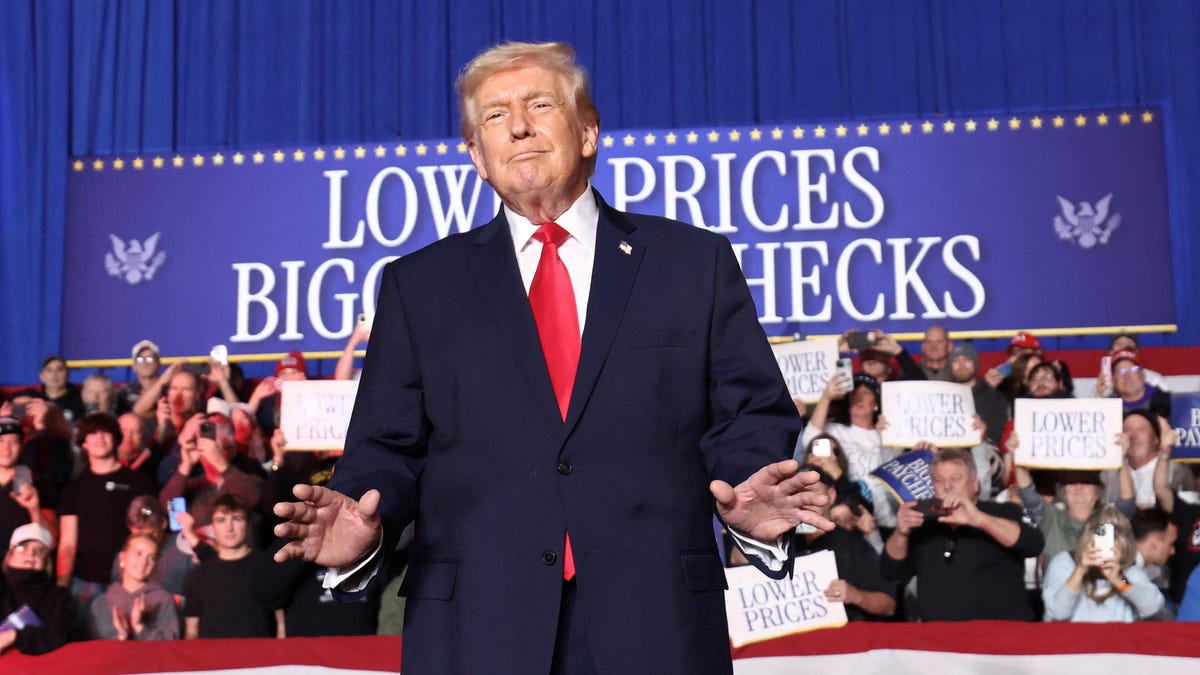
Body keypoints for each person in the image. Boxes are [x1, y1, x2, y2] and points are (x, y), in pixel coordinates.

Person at [273, 41, 831, 675]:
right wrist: (361, 525)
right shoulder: (419, 286)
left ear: (588, 132)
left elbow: (749, 413)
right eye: (495, 115)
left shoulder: (692, 263)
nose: (518, 126)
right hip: (475, 628)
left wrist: (751, 492)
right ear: (477, 156)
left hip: (656, 625)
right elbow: (386, 448)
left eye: (539, 105)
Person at [882, 447, 1044, 621]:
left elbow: (1033, 544)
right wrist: (901, 533)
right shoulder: (923, 522)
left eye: (956, 478)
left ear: (975, 484)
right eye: (939, 480)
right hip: (938, 635)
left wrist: (979, 519)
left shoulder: (1003, 511)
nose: (947, 486)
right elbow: (892, 573)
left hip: (999, 633)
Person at [56, 412, 156, 609]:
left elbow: (151, 532)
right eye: (92, 433)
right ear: (84, 443)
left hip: (128, 579)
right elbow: (67, 542)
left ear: (116, 438)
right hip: (84, 581)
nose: (99, 438)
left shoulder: (139, 483)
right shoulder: (74, 487)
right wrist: (62, 585)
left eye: (105, 432)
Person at [791, 465, 896, 621]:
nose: (806, 499)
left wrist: (855, 596)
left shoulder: (853, 544)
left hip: (848, 633)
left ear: (831, 495)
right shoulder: (778, 545)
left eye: (812, 491)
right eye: (798, 493)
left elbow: (888, 605)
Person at [183, 494, 282, 638]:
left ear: (248, 524)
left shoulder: (267, 566)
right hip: (213, 652)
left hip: (260, 651)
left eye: (237, 519)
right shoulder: (198, 576)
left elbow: (281, 621)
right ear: (212, 526)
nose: (229, 528)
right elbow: (192, 631)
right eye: (221, 520)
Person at [1042, 506, 1163, 622]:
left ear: (1125, 543)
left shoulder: (1129, 573)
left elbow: (1152, 606)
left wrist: (1120, 581)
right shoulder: (1065, 562)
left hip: (1117, 636)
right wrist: (1080, 570)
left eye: (1113, 537)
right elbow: (1058, 612)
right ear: (1087, 538)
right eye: (1100, 535)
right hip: (1075, 636)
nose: (1106, 543)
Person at [0, 524, 78, 655]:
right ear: (9, 555)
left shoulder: (60, 597)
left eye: (40, 550)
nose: (31, 553)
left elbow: (64, 635)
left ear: (46, 562)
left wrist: (14, 635)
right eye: (22, 547)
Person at [87, 534, 179, 640]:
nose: (144, 562)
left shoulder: (163, 600)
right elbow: (92, 646)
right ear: (122, 557)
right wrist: (121, 637)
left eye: (151, 558)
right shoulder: (100, 603)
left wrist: (140, 627)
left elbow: (171, 644)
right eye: (138, 554)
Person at [948, 342, 1008, 444]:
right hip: (947, 450)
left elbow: (999, 438)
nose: (961, 365)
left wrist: (984, 434)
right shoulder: (942, 396)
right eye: (956, 361)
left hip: (982, 448)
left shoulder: (994, 398)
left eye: (967, 360)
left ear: (975, 363)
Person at [26, 356, 84, 426]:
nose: (54, 374)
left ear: (68, 374)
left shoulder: (80, 399)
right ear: (41, 376)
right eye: (49, 370)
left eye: (59, 370)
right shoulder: (34, 399)